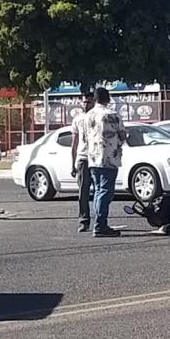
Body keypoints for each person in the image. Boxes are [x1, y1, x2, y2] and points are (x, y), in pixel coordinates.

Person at [85, 87, 127, 237]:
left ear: (95, 99)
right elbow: (122, 135)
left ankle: (99, 222)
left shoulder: (88, 115)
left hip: (93, 157)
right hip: (109, 157)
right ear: (108, 99)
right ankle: (100, 225)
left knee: (98, 191)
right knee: (106, 192)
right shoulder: (112, 115)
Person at [71, 92, 95, 233]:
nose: (86, 104)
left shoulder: (97, 117)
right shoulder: (77, 119)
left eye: (89, 102)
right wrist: (72, 163)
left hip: (96, 158)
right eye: (84, 102)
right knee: (83, 192)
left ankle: (100, 220)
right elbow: (74, 143)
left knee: (99, 191)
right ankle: (84, 220)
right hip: (82, 158)